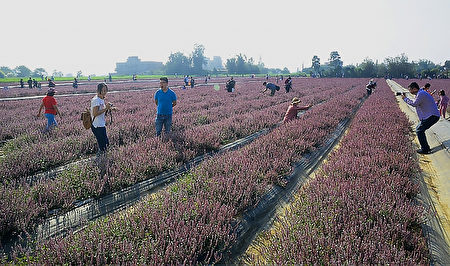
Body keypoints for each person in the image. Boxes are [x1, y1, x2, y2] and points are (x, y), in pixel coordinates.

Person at [402, 82, 440, 154]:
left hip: (432, 116)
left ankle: (425, 149)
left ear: (415, 89)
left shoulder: (421, 94)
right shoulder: (420, 93)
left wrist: (405, 99)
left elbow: (414, 104)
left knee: (419, 130)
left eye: (410, 90)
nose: (410, 91)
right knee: (419, 129)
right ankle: (425, 148)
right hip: (430, 115)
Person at [91, 83, 115, 154]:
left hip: (101, 124)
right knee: (103, 145)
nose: (105, 92)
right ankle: (101, 160)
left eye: (106, 90)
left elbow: (102, 110)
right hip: (97, 125)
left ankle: (103, 158)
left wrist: (111, 108)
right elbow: (95, 113)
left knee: (105, 144)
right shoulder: (96, 100)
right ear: (99, 90)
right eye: (103, 90)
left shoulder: (101, 99)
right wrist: (106, 108)